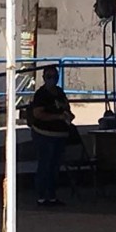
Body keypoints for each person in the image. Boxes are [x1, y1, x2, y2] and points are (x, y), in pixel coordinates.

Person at [27, 66, 74, 207]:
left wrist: (67, 116)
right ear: (43, 78)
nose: (52, 80)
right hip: (44, 134)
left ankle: (52, 196)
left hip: (60, 135)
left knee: (55, 167)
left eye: (55, 76)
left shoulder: (60, 93)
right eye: (49, 77)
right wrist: (58, 117)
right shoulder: (41, 94)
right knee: (45, 165)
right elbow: (38, 114)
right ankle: (42, 196)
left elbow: (66, 108)